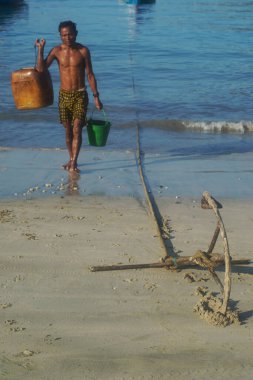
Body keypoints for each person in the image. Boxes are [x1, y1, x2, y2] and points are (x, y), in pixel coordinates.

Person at [35, 20, 103, 172]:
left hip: (80, 94)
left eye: (70, 34)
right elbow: (40, 69)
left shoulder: (83, 51)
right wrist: (41, 49)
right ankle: (70, 158)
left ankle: (74, 162)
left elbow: (90, 75)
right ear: (60, 35)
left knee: (77, 128)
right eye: (64, 35)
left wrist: (96, 97)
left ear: (76, 34)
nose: (68, 38)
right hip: (64, 95)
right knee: (67, 130)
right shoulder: (56, 51)